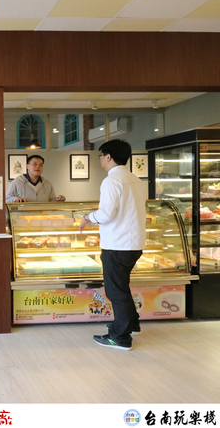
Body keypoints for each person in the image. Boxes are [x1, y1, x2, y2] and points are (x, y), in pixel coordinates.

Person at [79, 139, 146, 351]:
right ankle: (131, 324)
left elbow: (106, 213)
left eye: (101, 155)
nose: (100, 159)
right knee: (121, 287)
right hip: (134, 243)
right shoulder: (135, 179)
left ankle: (120, 337)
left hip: (117, 245)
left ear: (108, 157)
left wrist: (88, 217)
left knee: (115, 291)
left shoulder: (111, 181)